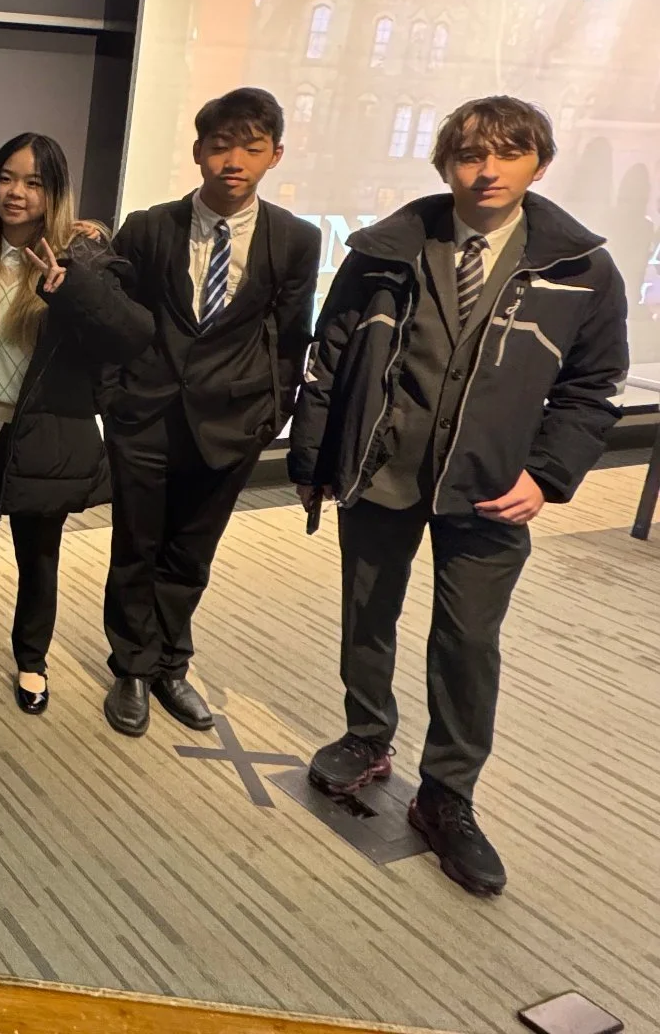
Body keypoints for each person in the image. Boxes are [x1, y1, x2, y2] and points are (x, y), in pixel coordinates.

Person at [291, 96, 625, 897]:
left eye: (508, 154)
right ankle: (367, 734)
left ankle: (448, 796)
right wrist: (314, 454)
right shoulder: (384, 251)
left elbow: (593, 387)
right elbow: (331, 355)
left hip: (490, 488)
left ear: (537, 166)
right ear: (446, 163)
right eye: (472, 155)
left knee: (468, 643)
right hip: (384, 468)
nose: (487, 170)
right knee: (367, 612)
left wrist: (546, 475)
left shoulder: (581, 268)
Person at [101, 88, 319, 737]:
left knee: (192, 551)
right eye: (220, 145)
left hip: (233, 422)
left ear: (274, 155)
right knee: (136, 545)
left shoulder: (296, 240)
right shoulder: (148, 226)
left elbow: (291, 337)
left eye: (251, 148)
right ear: (198, 152)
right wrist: (114, 402)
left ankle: (172, 663)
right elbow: (114, 318)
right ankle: (132, 668)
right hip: (145, 416)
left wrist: (269, 419)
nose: (234, 160)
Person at [0, 134, 152, 712]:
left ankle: (32, 659)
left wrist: (70, 285)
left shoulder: (85, 262)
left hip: (43, 435)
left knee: (39, 556)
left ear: (54, 193)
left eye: (34, 182)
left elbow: (133, 335)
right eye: (6, 178)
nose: (17, 192)